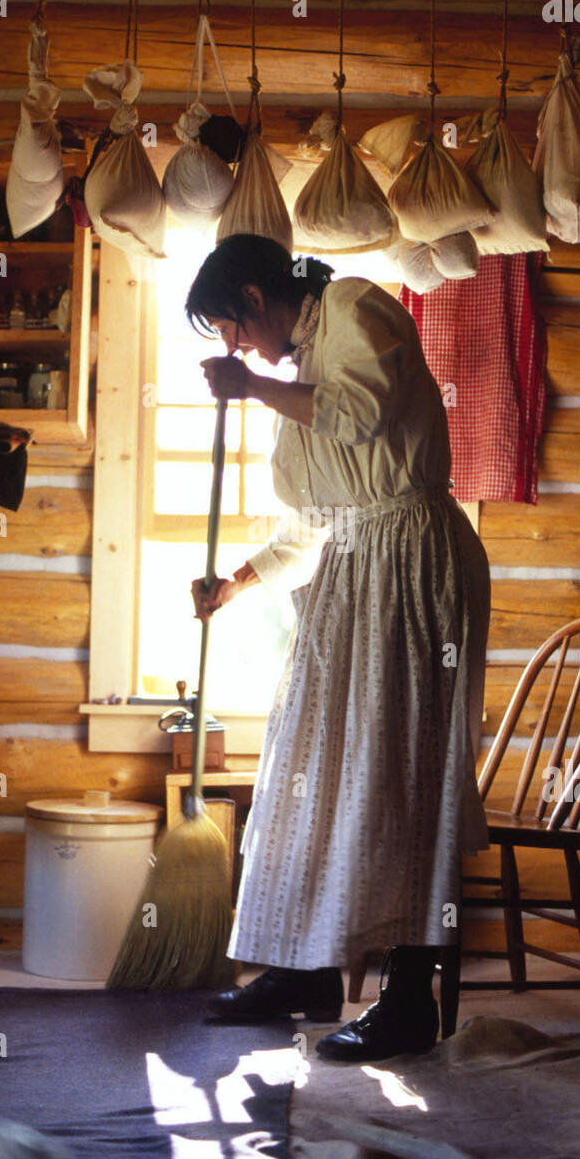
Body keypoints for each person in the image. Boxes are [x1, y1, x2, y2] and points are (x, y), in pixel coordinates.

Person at [187, 232, 490, 1061]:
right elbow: (304, 528)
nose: (236, 348)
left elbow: (363, 414)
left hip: (413, 556)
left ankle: (407, 1002)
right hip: (355, 569)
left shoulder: (356, 305)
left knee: (402, 771)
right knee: (310, 764)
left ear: (255, 296)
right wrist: (233, 584)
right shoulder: (298, 377)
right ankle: (306, 966)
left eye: (232, 328)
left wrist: (249, 386)